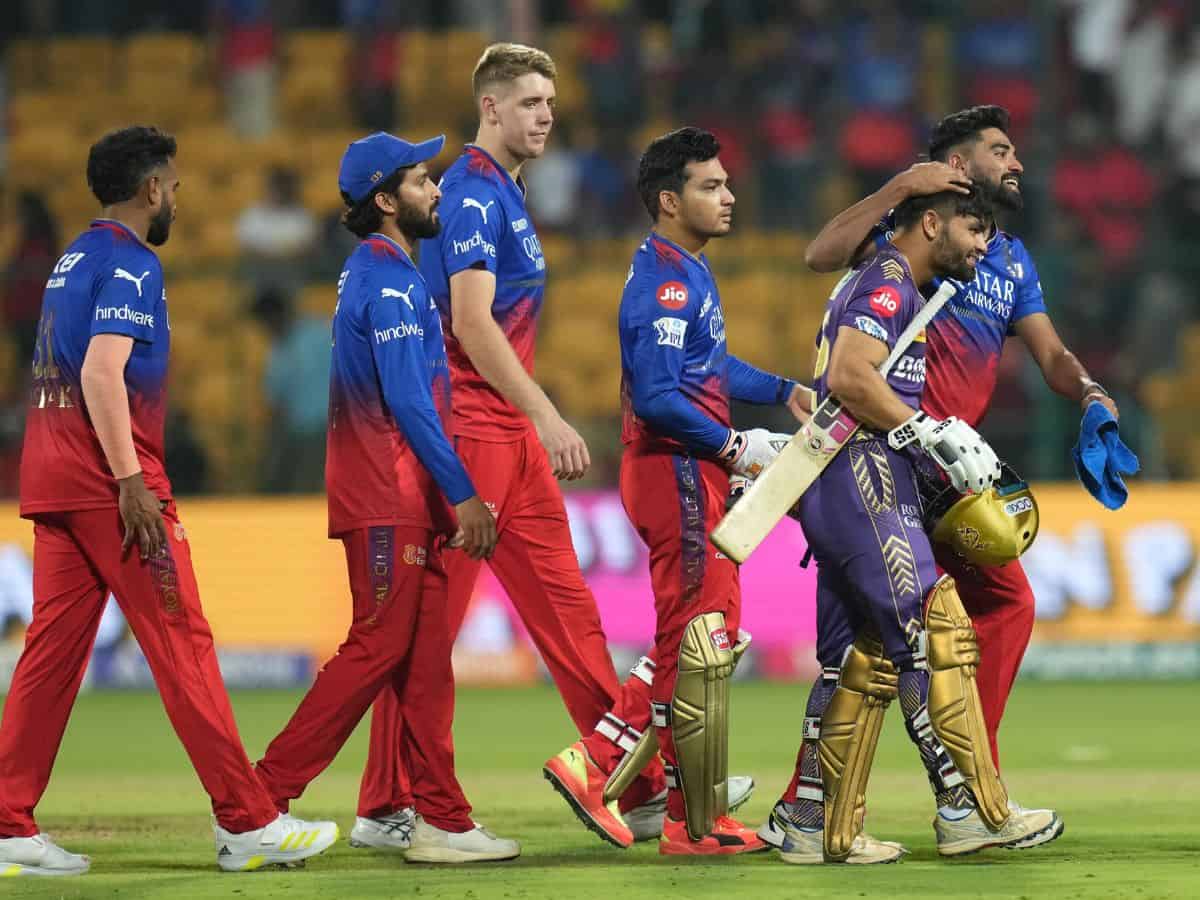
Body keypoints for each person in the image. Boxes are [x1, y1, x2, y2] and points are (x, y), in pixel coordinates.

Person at [351, 42, 691, 854]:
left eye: (550, 101)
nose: (546, 114)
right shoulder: (470, 191)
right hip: (474, 430)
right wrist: (545, 412)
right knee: (430, 628)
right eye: (531, 101)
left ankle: (634, 782)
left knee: (569, 613)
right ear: (491, 108)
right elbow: (470, 324)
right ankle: (410, 809)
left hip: (505, 433)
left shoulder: (505, 190)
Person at [0, 126, 337, 876]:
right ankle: (247, 823)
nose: (178, 198)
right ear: (151, 189)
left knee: (52, 655)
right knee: (181, 642)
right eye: (175, 187)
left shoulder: (71, 258)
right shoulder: (130, 262)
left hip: (52, 475)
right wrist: (130, 482)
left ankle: (7, 823)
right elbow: (99, 375)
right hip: (109, 484)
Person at [762, 106, 1096, 851]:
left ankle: (812, 814)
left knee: (879, 646)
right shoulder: (892, 258)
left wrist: (1091, 394)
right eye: (999, 151)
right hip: (889, 469)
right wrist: (924, 431)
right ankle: (969, 803)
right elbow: (833, 294)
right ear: (949, 175)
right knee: (924, 634)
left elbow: (1049, 353)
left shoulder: (998, 261)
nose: (1016, 164)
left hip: (924, 470)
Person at [253, 131, 518, 864]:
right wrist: (463, 494)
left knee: (426, 661)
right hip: (388, 495)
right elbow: (409, 403)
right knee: (375, 649)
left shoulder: (381, 271)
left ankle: (441, 819)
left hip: (405, 495)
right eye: (423, 180)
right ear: (385, 199)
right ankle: (258, 800)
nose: (436, 190)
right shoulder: (390, 281)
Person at [615, 127, 808, 855]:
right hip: (676, 470)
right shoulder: (664, 283)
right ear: (670, 200)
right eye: (710, 186)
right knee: (697, 643)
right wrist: (732, 446)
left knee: (699, 640)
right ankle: (685, 821)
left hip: (682, 470)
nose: (728, 196)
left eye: (726, 183)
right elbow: (660, 396)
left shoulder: (686, 269)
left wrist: (782, 389)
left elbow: (711, 366)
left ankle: (682, 804)